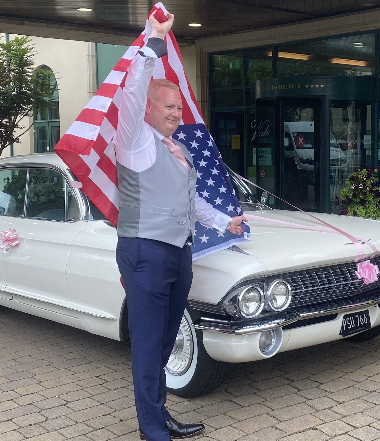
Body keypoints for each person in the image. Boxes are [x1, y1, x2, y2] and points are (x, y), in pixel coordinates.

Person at [113, 13, 247, 441]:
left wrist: (227, 220)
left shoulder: (175, 149)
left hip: (177, 252)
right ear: (148, 109)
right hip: (145, 251)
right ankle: (152, 430)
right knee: (149, 344)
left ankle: (160, 414)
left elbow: (192, 203)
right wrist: (154, 41)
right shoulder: (133, 140)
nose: (177, 113)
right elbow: (133, 89)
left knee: (166, 339)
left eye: (178, 107)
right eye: (169, 106)